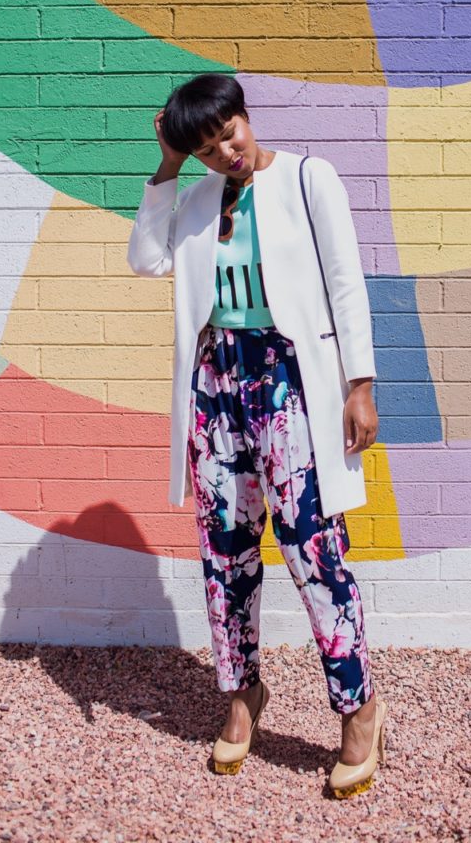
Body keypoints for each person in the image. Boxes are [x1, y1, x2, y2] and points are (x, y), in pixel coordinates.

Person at [126, 73, 387, 797]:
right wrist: (169, 166)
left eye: (228, 134)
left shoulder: (308, 177)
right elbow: (146, 260)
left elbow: (346, 281)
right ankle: (242, 696)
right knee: (225, 552)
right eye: (207, 149)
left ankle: (358, 707)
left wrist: (359, 385)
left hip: (290, 380)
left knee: (312, 548)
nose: (226, 153)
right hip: (216, 384)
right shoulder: (195, 199)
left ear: (245, 115)